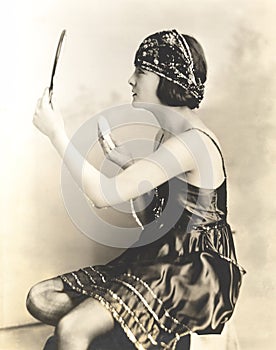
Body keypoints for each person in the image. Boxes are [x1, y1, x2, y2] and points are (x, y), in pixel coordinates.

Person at [27, 29, 245, 350]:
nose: (131, 80)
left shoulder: (192, 142)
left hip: (189, 272)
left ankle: (137, 333)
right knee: (41, 299)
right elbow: (160, 212)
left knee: (72, 330)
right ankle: (132, 333)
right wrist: (130, 166)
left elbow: (101, 195)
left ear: (165, 79)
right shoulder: (170, 135)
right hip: (160, 256)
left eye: (141, 71)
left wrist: (56, 133)